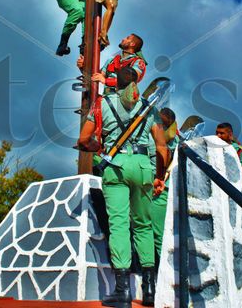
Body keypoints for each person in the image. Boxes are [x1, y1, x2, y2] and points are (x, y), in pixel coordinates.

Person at [77, 66, 168, 308]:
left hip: (115, 165)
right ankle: (149, 291)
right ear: (136, 83)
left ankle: (123, 291)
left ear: (115, 83)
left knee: (119, 225)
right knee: (144, 226)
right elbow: (161, 147)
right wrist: (159, 176)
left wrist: (99, 149)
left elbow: (84, 139)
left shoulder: (101, 103)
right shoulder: (149, 108)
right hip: (142, 167)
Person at [150, 108, 179, 268]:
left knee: (158, 233)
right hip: (158, 189)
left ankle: (165, 271)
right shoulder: (172, 139)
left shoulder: (173, 142)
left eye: (161, 121)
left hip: (161, 191)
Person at [77, 34, 146, 94]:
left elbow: (131, 80)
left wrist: (106, 80)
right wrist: (84, 66)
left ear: (132, 44)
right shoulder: (111, 61)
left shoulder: (137, 61)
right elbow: (96, 76)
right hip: (108, 98)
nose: (123, 39)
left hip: (123, 100)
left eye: (127, 38)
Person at [215, 123, 242, 199]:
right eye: (217, 133)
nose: (218, 136)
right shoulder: (213, 148)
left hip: (234, 194)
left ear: (230, 134)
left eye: (222, 133)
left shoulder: (241, 151)